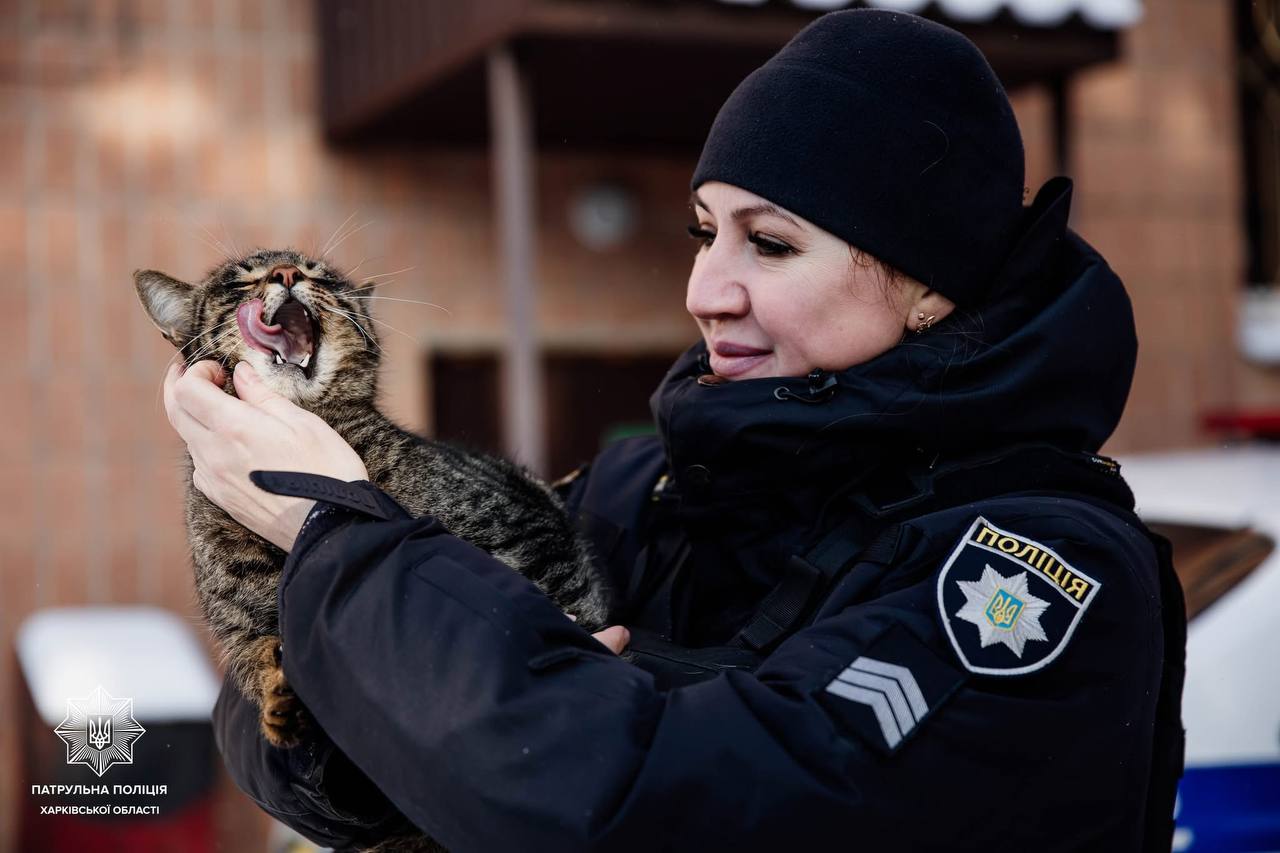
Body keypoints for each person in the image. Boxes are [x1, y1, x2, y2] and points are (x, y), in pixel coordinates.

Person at [165, 9, 1186, 851]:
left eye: (770, 244)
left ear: (928, 288)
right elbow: (280, 749)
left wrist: (344, 547)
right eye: (705, 230)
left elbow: (652, 811)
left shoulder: (1036, 570)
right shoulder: (639, 487)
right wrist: (411, 707)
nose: (706, 289)